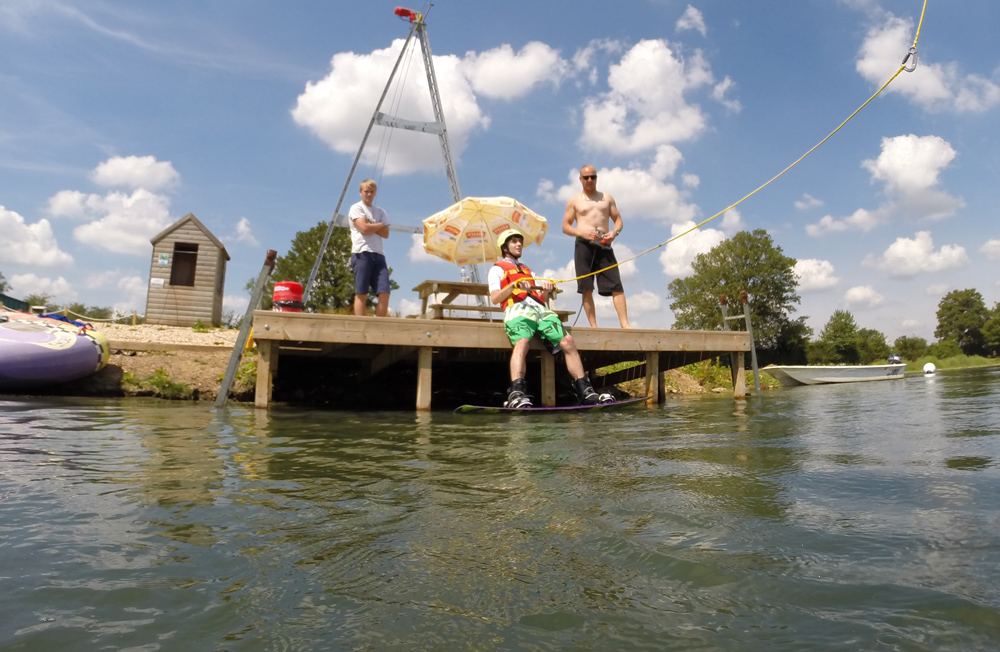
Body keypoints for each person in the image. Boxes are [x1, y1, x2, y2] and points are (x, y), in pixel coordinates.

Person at [488, 228, 614, 408]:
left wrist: (545, 291)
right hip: (517, 310)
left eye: (520, 241)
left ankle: (585, 391)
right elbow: (495, 298)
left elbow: (541, 301)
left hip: (540, 311)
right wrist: (514, 286)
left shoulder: (527, 270)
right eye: (514, 241)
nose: (519, 244)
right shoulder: (496, 270)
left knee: (568, 341)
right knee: (522, 342)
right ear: (505, 246)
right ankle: (517, 392)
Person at [562, 164, 631, 328]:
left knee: (616, 284)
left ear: (596, 178)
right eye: (586, 177)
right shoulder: (574, 201)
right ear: (580, 179)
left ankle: (625, 324)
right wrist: (582, 233)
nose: (589, 180)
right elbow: (565, 226)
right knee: (586, 287)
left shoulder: (607, 198)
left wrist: (614, 233)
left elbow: (619, 220)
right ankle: (594, 326)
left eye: (592, 176)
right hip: (583, 244)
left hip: (603, 243)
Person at [348, 179, 391, 317]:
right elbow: (364, 228)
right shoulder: (356, 208)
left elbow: (386, 234)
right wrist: (379, 224)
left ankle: (380, 326)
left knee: (384, 292)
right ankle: (360, 326)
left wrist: (373, 225)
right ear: (361, 193)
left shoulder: (380, 211)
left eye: (371, 192)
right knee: (362, 292)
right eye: (366, 191)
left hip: (379, 255)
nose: (369, 194)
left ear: (375, 193)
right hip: (362, 253)